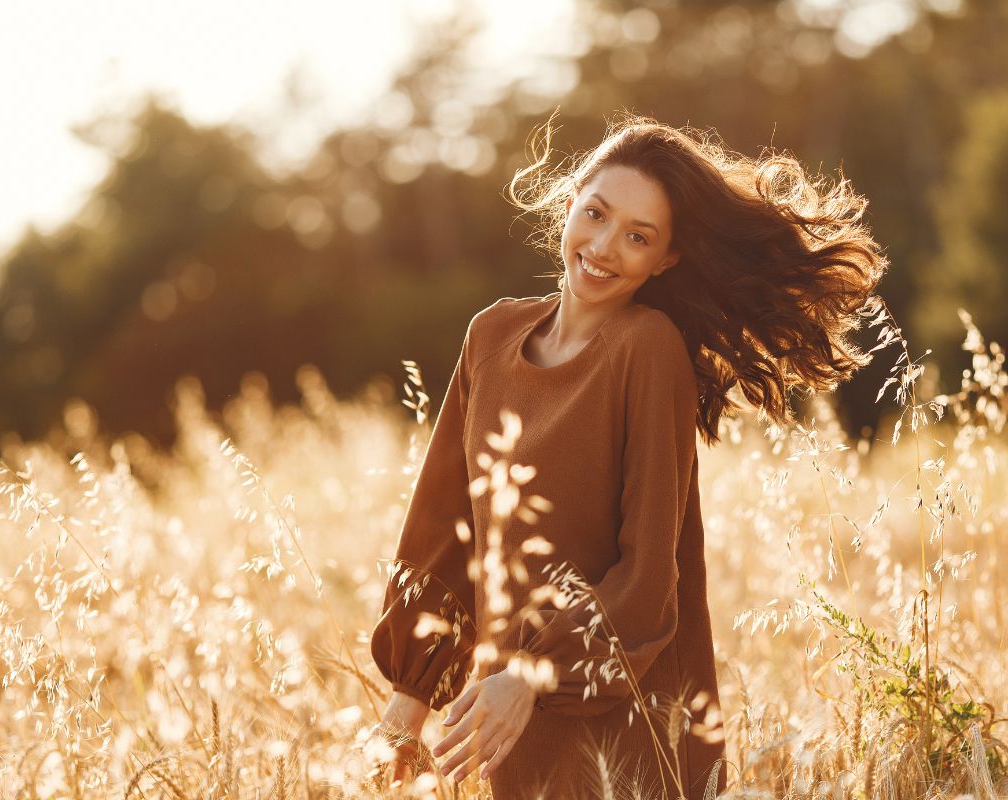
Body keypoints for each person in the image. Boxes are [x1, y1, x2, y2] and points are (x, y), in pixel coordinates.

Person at [368, 110, 889, 799]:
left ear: (665, 259)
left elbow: (648, 574)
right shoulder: (489, 336)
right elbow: (445, 530)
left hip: (624, 716)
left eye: (637, 237)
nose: (605, 247)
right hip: (509, 723)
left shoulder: (649, 349)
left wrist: (533, 673)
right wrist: (414, 691)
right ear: (571, 200)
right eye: (596, 214)